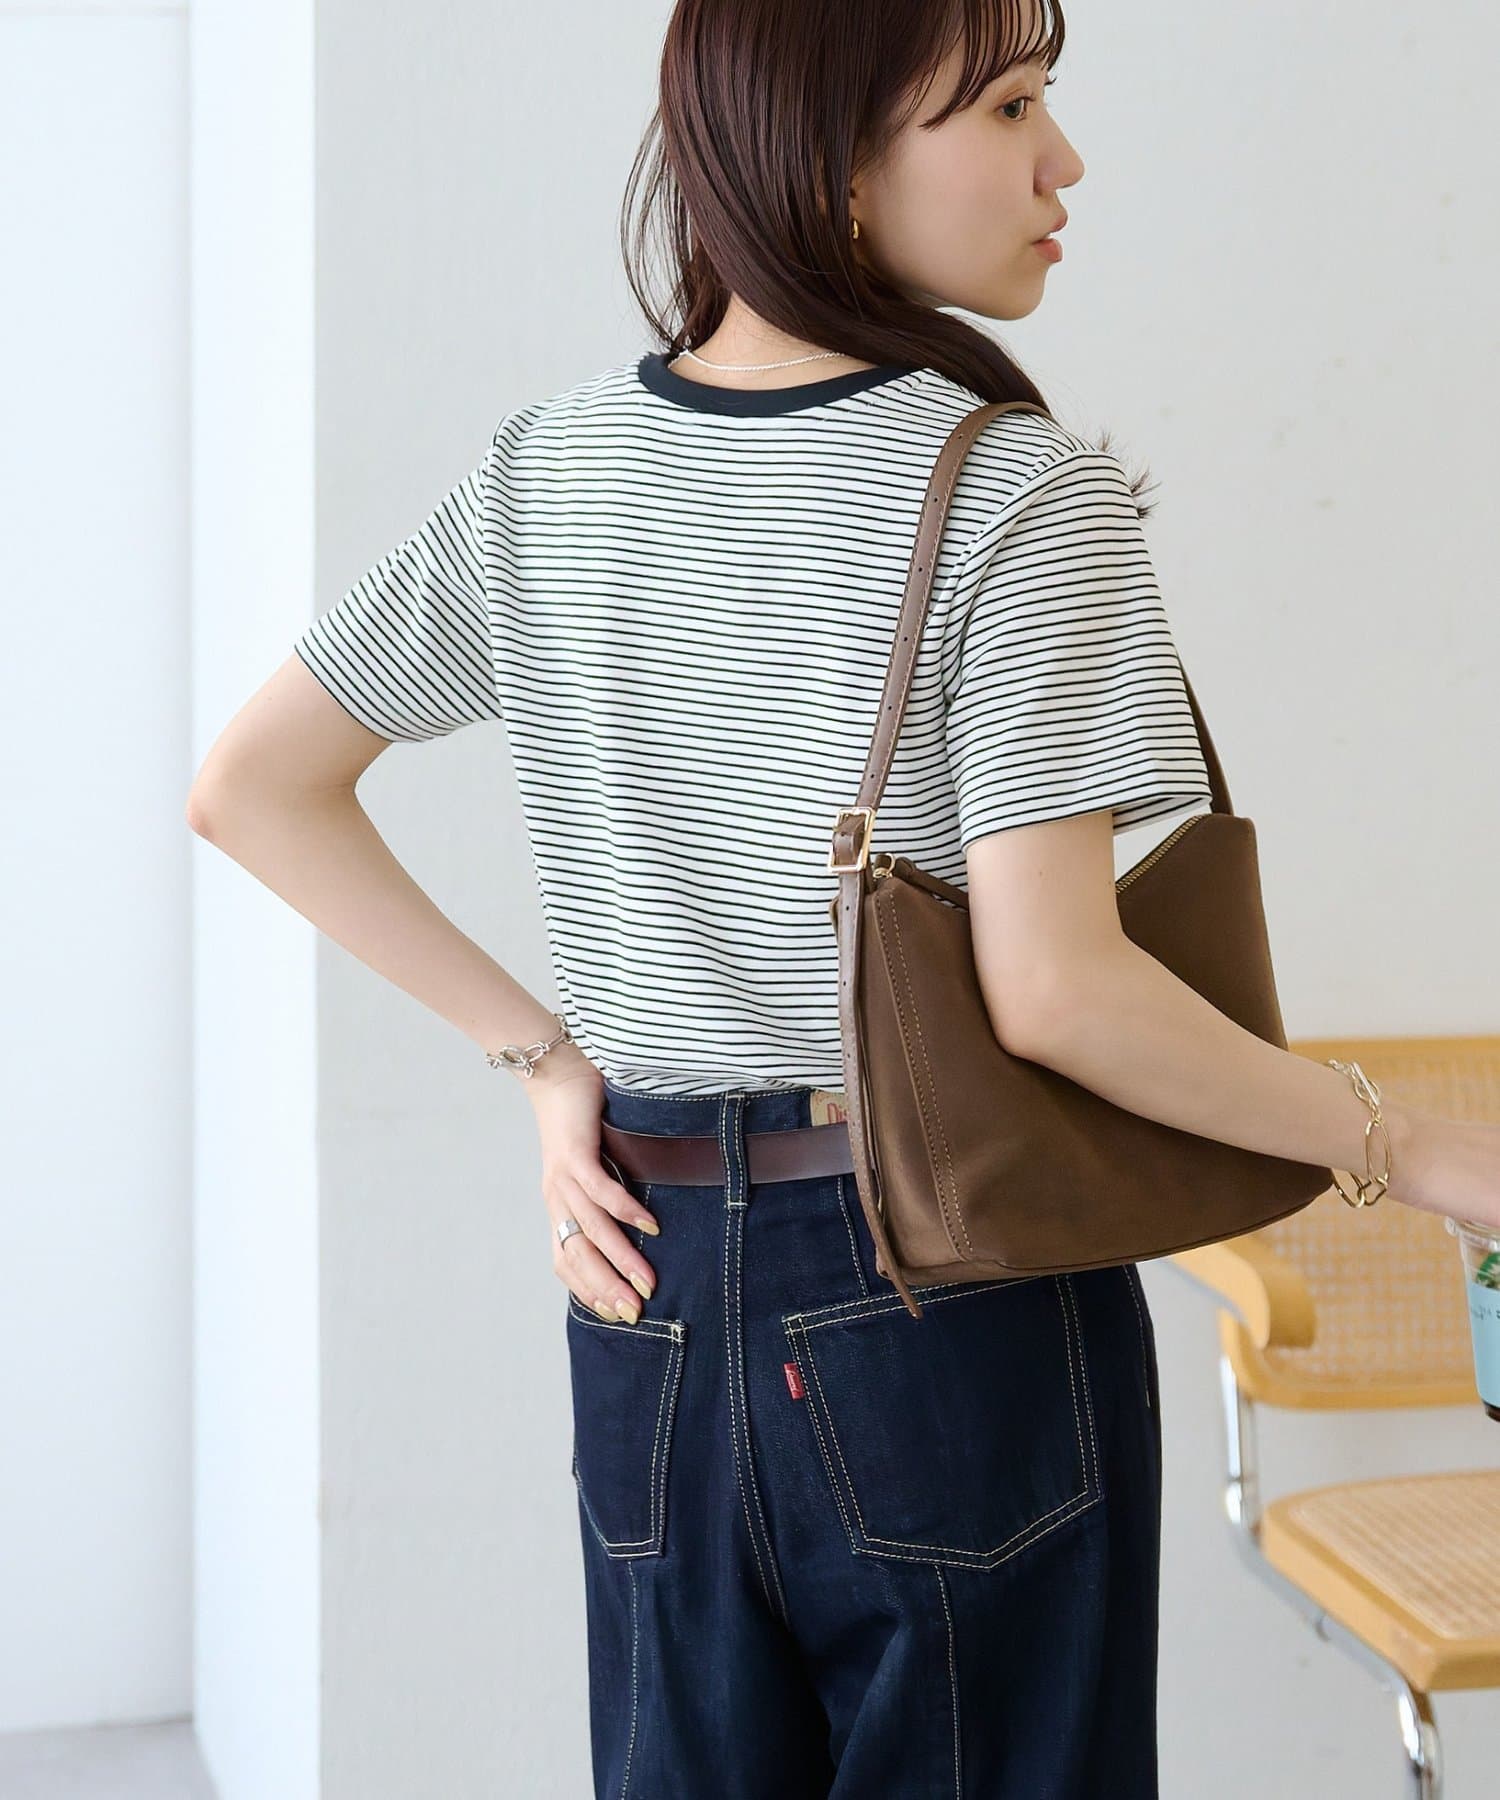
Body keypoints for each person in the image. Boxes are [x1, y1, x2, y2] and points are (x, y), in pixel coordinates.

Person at [185, 1, 1500, 1794]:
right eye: (1010, 107)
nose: (1065, 163)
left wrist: (549, 1061)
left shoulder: (543, 473)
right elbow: (1058, 993)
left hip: (646, 1293)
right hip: (948, 1300)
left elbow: (253, 787)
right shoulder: (1013, 491)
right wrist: (1411, 1148)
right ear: (835, 155)